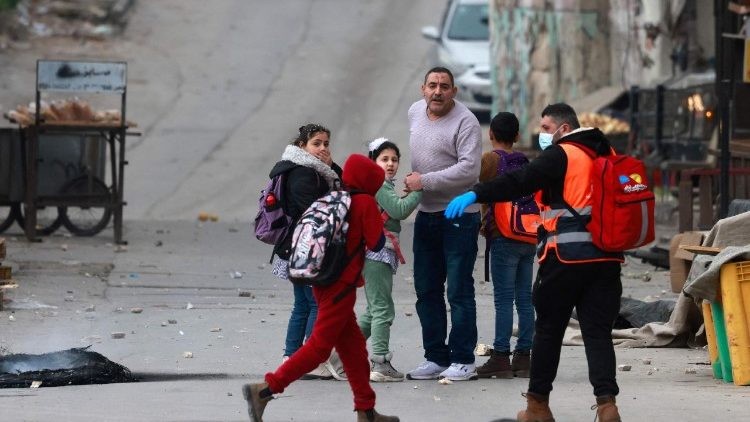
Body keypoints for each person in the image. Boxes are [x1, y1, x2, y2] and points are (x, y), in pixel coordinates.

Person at [444, 103, 623, 422]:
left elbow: (520, 181)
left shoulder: (563, 153)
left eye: (544, 127)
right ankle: (607, 405)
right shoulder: (606, 153)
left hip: (566, 256)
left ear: (564, 129)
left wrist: (476, 193)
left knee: (549, 331)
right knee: (597, 333)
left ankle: (537, 406)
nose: (541, 134)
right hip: (607, 258)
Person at [243, 153, 400, 422]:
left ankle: (367, 410)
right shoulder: (363, 203)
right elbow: (375, 244)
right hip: (340, 285)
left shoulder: (335, 197)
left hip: (322, 280)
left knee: (354, 351)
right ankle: (266, 389)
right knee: (319, 348)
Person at [403, 67, 483, 382]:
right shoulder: (414, 112)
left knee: (459, 290)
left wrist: (424, 181)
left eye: (444, 86)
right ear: (423, 88)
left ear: (454, 91)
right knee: (426, 289)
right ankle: (436, 357)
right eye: (433, 85)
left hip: (459, 214)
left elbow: (469, 170)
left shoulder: (466, 122)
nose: (438, 91)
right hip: (427, 215)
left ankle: (464, 359)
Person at [268, 123, 341, 379]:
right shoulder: (303, 173)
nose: (322, 149)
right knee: (313, 304)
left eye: (325, 144)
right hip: (307, 248)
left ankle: (292, 355)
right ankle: (310, 358)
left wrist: (331, 167)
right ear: (302, 146)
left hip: (300, 247)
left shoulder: (315, 170)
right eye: (316, 143)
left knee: (303, 304)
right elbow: (314, 210)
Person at [475, 112, 535, 379]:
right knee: (525, 299)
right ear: (518, 136)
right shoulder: (525, 161)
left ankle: (500, 356)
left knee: (503, 300)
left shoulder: (490, 160)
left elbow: (476, 186)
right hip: (528, 235)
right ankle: (524, 356)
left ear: (491, 135)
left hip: (503, 235)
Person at [358, 137, 422, 382]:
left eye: (394, 159)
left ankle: (338, 353)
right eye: (384, 159)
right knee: (383, 309)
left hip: (374, 252)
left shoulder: (379, 185)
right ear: (373, 162)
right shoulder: (378, 184)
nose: (391, 163)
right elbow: (399, 210)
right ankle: (380, 362)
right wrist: (419, 190)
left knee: (373, 311)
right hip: (377, 252)